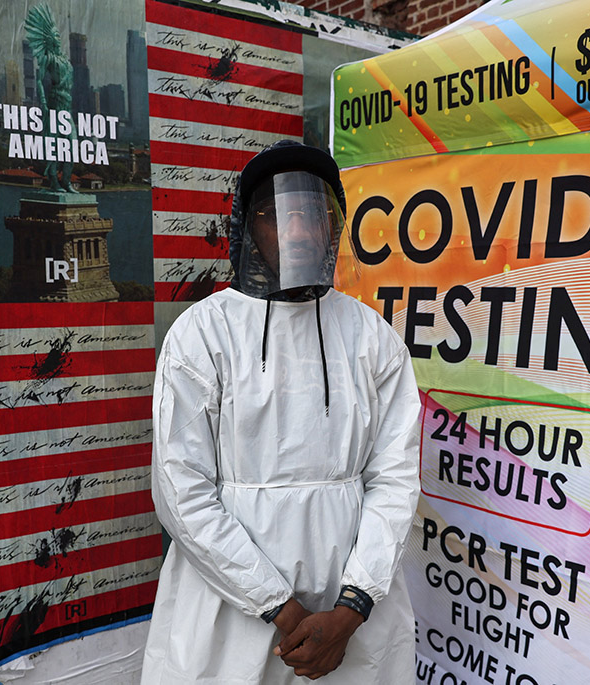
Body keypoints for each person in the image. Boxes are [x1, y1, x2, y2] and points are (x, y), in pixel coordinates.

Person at [141, 140, 421, 683]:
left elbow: (395, 479)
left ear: (332, 226)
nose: (297, 231)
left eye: (313, 213)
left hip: (353, 611)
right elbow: (181, 491)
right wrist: (282, 609)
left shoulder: (373, 338)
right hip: (232, 610)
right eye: (276, 215)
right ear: (248, 228)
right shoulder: (203, 335)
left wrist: (351, 607)